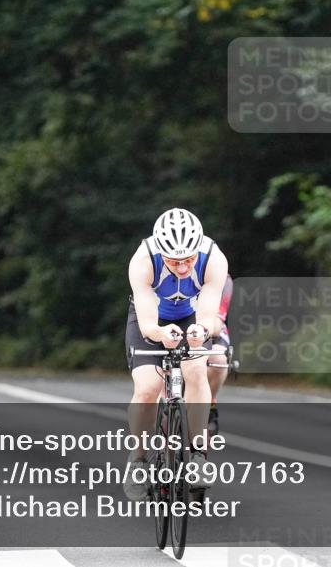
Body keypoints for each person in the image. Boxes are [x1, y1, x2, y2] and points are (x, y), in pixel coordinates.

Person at [123, 208, 229, 500]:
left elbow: (208, 314)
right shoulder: (143, 260)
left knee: (196, 371)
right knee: (147, 389)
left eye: (188, 260)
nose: (182, 268)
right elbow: (146, 323)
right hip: (152, 320)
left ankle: (198, 455)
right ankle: (139, 458)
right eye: (174, 261)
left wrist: (201, 332)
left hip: (191, 316)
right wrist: (160, 334)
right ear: (161, 252)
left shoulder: (213, 258)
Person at [207, 274, 233, 435]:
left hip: (211, 328)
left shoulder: (223, 279)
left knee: (219, 358)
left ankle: (210, 402)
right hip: (173, 325)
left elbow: (217, 324)